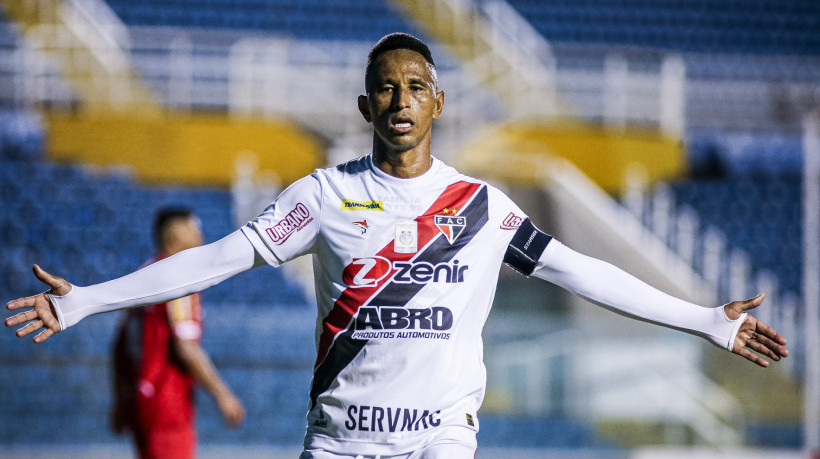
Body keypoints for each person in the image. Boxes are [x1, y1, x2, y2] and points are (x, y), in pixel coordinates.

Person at [6, 33, 788, 459]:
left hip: (438, 441)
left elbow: (582, 271)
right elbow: (216, 258)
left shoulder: (480, 207)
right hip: (340, 442)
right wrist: (88, 301)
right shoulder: (322, 195)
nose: (401, 99)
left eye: (416, 86)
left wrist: (704, 319)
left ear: (438, 101)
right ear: (366, 105)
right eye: (386, 86)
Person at [109, 208, 245, 459]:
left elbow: (120, 343)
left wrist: (121, 397)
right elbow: (186, 346)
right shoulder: (178, 278)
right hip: (168, 402)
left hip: (143, 399)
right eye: (195, 229)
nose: (201, 237)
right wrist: (223, 394)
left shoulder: (145, 273)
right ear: (176, 235)